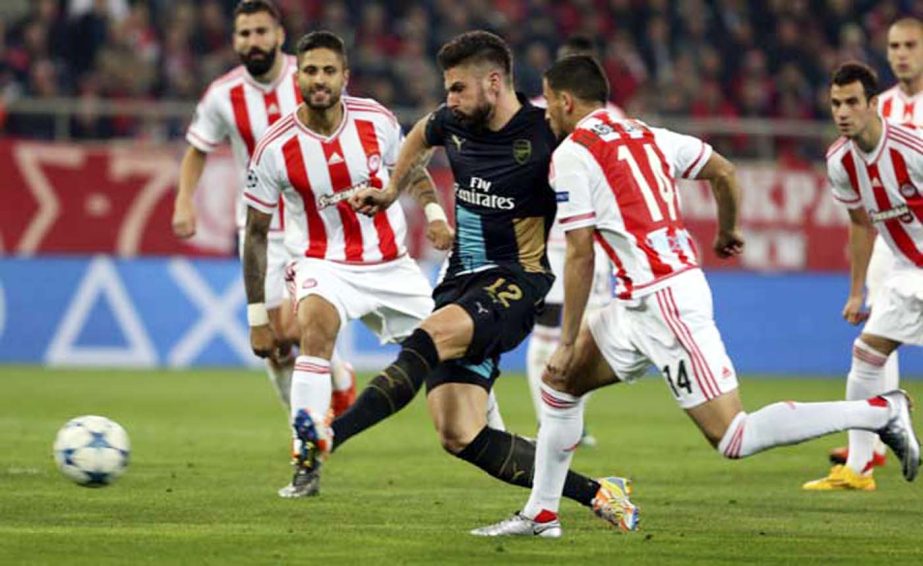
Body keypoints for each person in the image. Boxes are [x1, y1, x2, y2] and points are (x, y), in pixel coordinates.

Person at [473, 55, 919, 538]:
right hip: (635, 304)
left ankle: (879, 410)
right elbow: (724, 171)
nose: (547, 118)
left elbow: (580, 254)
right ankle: (542, 514)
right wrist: (728, 230)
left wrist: (566, 338)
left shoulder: (573, 154)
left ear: (564, 101)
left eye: (550, 105)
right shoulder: (648, 134)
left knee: (734, 436)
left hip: (665, 303)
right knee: (559, 387)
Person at [332, 30, 639, 532]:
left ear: (494, 82)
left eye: (458, 88)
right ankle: (600, 493)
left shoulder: (547, 132)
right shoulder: (452, 121)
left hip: (517, 282)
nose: (449, 99)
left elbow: (612, 166)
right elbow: (419, 135)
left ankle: (331, 434)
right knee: (460, 434)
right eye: (448, 89)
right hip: (459, 282)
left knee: (424, 341)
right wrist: (392, 191)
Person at [243, 30, 498, 498]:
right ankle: (307, 461)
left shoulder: (375, 119)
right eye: (310, 70)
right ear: (297, 76)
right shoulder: (275, 145)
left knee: (455, 347)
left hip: (391, 265)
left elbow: (414, 170)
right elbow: (256, 233)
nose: (319, 80)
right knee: (314, 329)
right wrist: (258, 316)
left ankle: (494, 435)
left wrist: (437, 215)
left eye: (328, 71)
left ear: (345, 76)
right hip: (323, 263)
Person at [172, 0, 356, 416]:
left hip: (313, 223)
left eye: (260, 31)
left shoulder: (312, 76)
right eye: (244, 34)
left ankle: (337, 380)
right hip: (259, 228)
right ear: (235, 40)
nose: (253, 41)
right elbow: (197, 149)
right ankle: (306, 424)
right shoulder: (223, 95)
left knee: (297, 326)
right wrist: (185, 200)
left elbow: (347, 129)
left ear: (279, 35)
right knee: (274, 343)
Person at [803, 61, 923, 490]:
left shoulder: (911, 148)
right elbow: (859, 223)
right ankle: (858, 468)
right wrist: (856, 292)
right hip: (907, 272)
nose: (842, 112)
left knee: (868, 358)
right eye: (836, 103)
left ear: (874, 104)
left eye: (852, 102)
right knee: (866, 358)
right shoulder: (840, 160)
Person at [526, 35, 623, 447]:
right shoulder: (534, 114)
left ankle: (570, 422)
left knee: (587, 334)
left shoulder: (614, 117)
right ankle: (552, 421)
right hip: (552, 240)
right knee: (549, 334)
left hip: (593, 244)